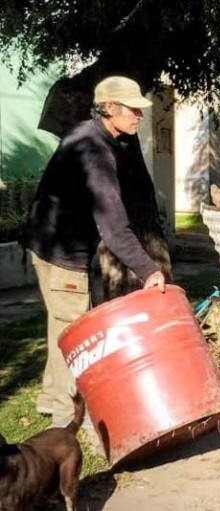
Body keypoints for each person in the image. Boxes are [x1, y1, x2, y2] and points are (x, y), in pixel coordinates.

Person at [23, 76, 166, 427]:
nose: (139, 116)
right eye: (133, 109)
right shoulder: (95, 151)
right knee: (75, 337)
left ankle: (48, 397)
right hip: (63, 254)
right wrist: (149, 270)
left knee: (61, 325)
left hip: (47, 244)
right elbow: (114, 227)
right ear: (110, 109)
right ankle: (65, 418)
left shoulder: (89, 134)